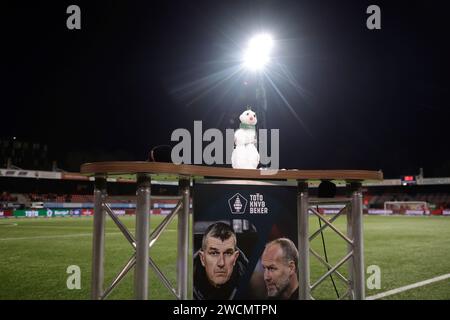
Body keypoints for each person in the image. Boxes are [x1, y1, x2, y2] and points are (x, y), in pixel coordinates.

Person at [193, 222, 248, 300]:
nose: (221, 263)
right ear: (202, 258)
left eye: (228, 253)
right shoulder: (184, 286)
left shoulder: (251, 284)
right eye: (214, 253)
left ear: (235, 258)